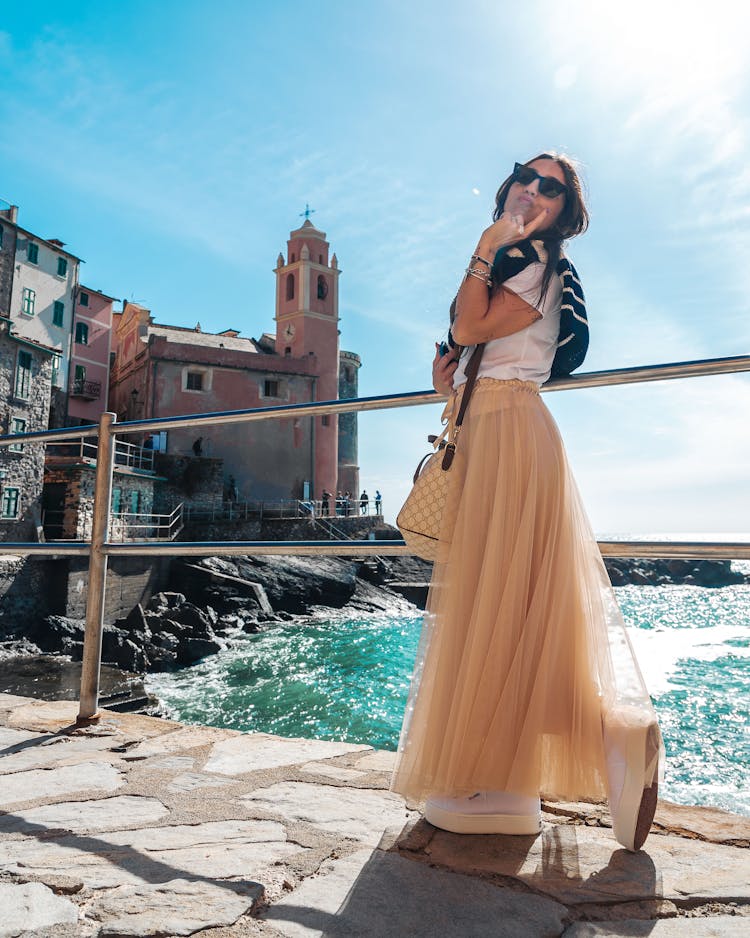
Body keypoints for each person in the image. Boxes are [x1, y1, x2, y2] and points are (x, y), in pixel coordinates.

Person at [391, 153, 662, 852]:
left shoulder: (540, 264)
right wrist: (447, 378)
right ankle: (512, 780)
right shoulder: (518, 263)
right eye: (525, 177)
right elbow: (470, 336)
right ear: (509, 186)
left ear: (566, 213)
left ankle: (604, 735)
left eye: (553, 187)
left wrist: (482, 251)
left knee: (504, 606)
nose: (533, 190)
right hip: (493, 428)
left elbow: (472, 326)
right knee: (499, 609)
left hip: (511, 433)